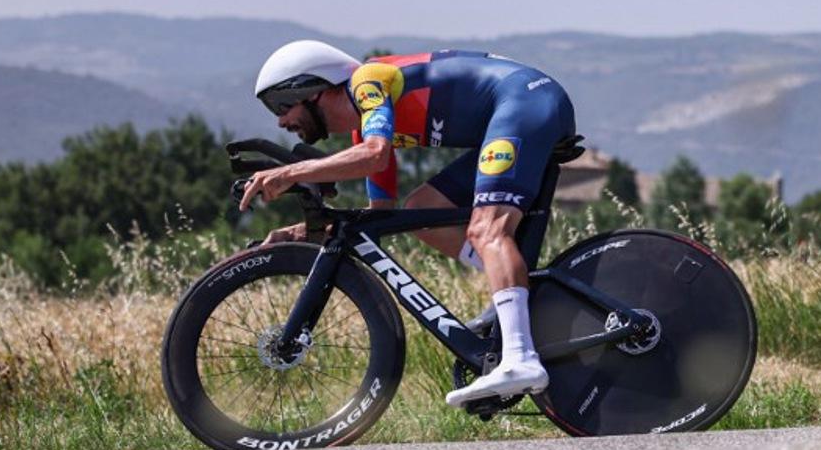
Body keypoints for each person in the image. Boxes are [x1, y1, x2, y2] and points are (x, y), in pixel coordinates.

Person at [240, 40, 576, 408]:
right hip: (518, 109)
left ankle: (519, 359)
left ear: (312, 90)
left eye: (281, 105)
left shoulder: (366, 81)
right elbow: (379, 215)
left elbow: (374, 155)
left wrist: (290, 172)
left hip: (525, 102)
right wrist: (306, 231)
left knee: (486, 230)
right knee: (422, 209)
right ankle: (518, 292)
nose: (280, 121)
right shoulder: (364, 128)